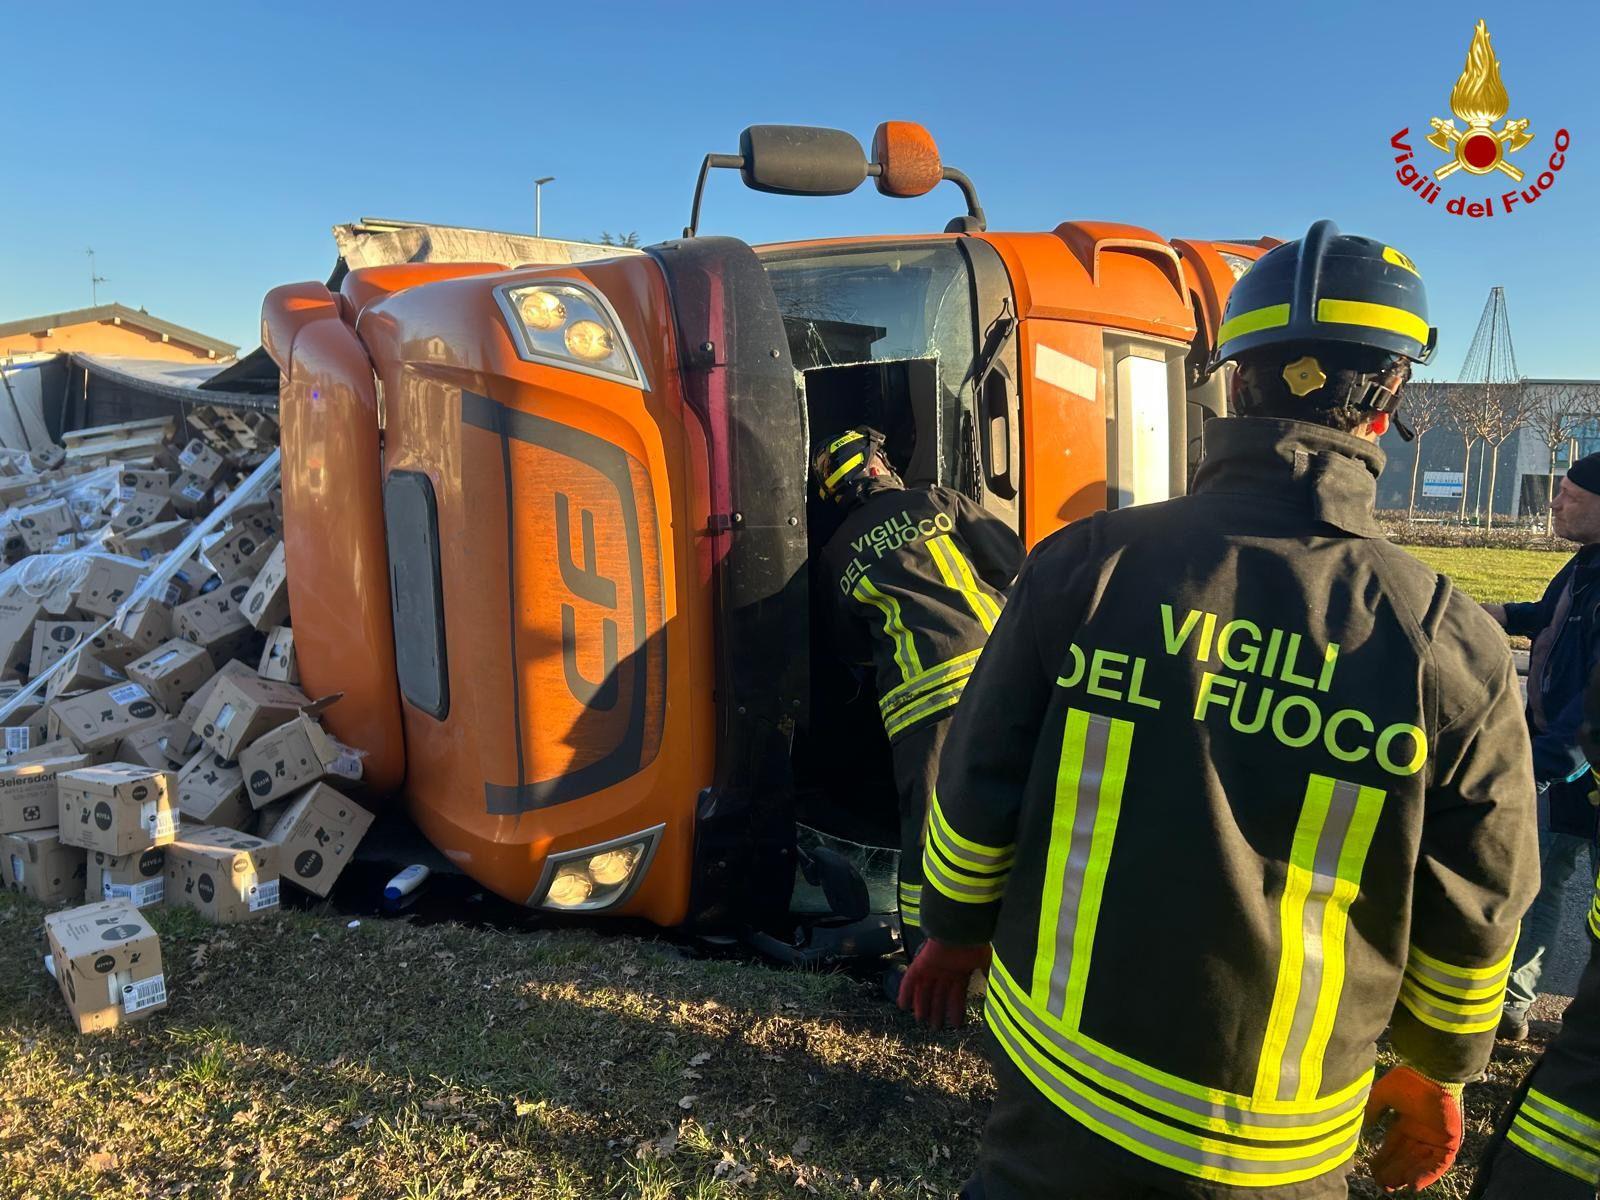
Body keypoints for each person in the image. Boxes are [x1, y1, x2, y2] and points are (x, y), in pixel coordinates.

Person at [900, 221, 1539, 1199]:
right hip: (1276, 1142)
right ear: (1392, 400)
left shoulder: (1086, 564)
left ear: (1230, 381)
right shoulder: (1448, 644)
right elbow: (1478, 902)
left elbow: (977, 779)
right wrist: (1437, 1068)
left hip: (1058, 1088)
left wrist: (951, 929)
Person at [811, 427, 1023, 958]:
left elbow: (850, 648)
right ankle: (1020, 947)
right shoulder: (936, 499)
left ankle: (924, 961)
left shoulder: (835, 555)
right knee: (1023, 801)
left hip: (919, 703)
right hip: (999, 675)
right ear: (879, 465)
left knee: (925, 829)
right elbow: (1011, 562)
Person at [1470, 660, 1600, 1199]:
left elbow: (1583, 732)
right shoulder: (1584, 575)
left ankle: (1512, 1004)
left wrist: (1512, 780)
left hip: (1554, 792)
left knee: (1565, 1121)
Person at [1483, 458, 1600, 1042]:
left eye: (1569, 494)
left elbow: (1595, 711)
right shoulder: (1583, 567)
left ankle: (1588, 1028)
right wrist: (1480, 616)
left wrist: (1538, 767)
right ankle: (1512, 1005)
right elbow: (1546, 618)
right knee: (1538, 882)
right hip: (1559, 762)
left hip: (1573, 762)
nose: (1554, 503)